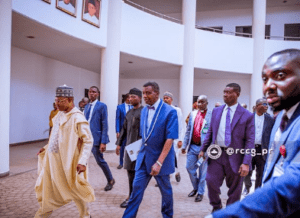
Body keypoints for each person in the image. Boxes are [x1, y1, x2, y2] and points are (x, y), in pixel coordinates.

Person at [207, 49, 300, 217]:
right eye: (265, 79)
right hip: (219, 155)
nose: (269, 86)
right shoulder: (282, 118)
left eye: (280, 76)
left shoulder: (269, 118)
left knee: (237, 188)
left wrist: (227, 215)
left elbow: (293, 183)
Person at [35, 84, 95, 218]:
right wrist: (45, 148)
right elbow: (56, 137)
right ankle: (43, 213)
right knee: (48, 189)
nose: (57, 104)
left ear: (70, 100)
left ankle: (85, 214)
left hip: (70, 162)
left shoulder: (77, 118)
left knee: (75, 189)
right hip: (53, 162)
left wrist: (83, 161)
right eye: (56, 100)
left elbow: (88, 141)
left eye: (60, 101)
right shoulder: (59, 115)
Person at [122, 82, 178, 218]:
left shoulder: (170, 111)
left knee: (166, 192)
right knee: (136, 191)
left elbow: (169, 139)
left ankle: (167, 215)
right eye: (144, 93)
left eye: (148, 93)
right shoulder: (144, 110)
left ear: (157, 93)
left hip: (161, 160)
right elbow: (144, 137)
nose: (145, 96)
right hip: (143, 159)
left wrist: (159, 162)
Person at [199, 83, 255, 212]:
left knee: (235, 189)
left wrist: (246, 162)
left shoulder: (247, 115)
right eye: (224, 92)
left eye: (229, 92)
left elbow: (250, 140)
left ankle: (230, 212)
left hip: (236, 156)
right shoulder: (216, 111)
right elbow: (210, 132)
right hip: (217, 154)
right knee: (210, 181)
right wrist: (203, 149)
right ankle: (216, 207)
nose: (225, 94)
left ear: (237, 94)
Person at [116, 88, 143, 208]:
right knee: (130, 173)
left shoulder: (145, 111)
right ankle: (131, 195)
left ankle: (133, 197)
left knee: (139, 174)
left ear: (140, 98)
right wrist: (118, 144)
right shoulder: (129, 113)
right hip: (129, 147)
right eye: (129, 97)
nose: (131, 99)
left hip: (140, 147)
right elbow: (124, 129)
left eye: (133, 97)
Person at [182, 95, 212, 202]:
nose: (199, 104)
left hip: (204, 149)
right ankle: (196, 187)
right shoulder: (193, 114)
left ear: (206, 103)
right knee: (189, 168)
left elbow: (212, 134)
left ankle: (200, 192)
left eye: (202, 102)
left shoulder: (211, 115)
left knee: (203, 172)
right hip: (192, 147)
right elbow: (188, 130)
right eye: (198, 102)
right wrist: (184, 145)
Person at [84, 86, 115, 191]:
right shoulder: (87, 106)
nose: (91, 93)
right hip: (86, 138)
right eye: (90, 92)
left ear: (97, 94)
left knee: (100, 161)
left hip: (96, 139)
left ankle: (110, 179)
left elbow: (104, 124)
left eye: (94, 92)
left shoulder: (102, 106)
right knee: (81, 160)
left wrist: (103, 142)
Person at [242, 98, 274, 195]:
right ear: (257, 106)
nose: (266, 106)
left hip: (262, 149)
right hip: (250, 148)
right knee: (248, 170)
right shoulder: (248, 118)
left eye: (267, 104)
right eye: (264, 104)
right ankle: (247, 187)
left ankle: (257, 191)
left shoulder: (270, 119)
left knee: (260, 172)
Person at [163, 91, 184, 182]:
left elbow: (180, 126)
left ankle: (175, 172)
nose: (165, 99)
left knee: (173, 157)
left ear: (171, 100)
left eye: (167, 98)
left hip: (174, 139)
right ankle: (165, 176)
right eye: (164, 98)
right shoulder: (161, 110)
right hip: (163, 139)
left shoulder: (177, 110)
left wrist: (180, 140)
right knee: (163, 157)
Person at [116, 94, 132, 169]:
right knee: (122, 147)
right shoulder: (120, 107)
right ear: (126, 98)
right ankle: (121, 163)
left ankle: (129, 163)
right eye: (129, 97)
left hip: (131, 131)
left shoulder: (133, 107)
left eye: (131, 97)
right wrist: (117, 131)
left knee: (131, 147)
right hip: (123, 131)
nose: (130, 99)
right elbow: (117, 119)